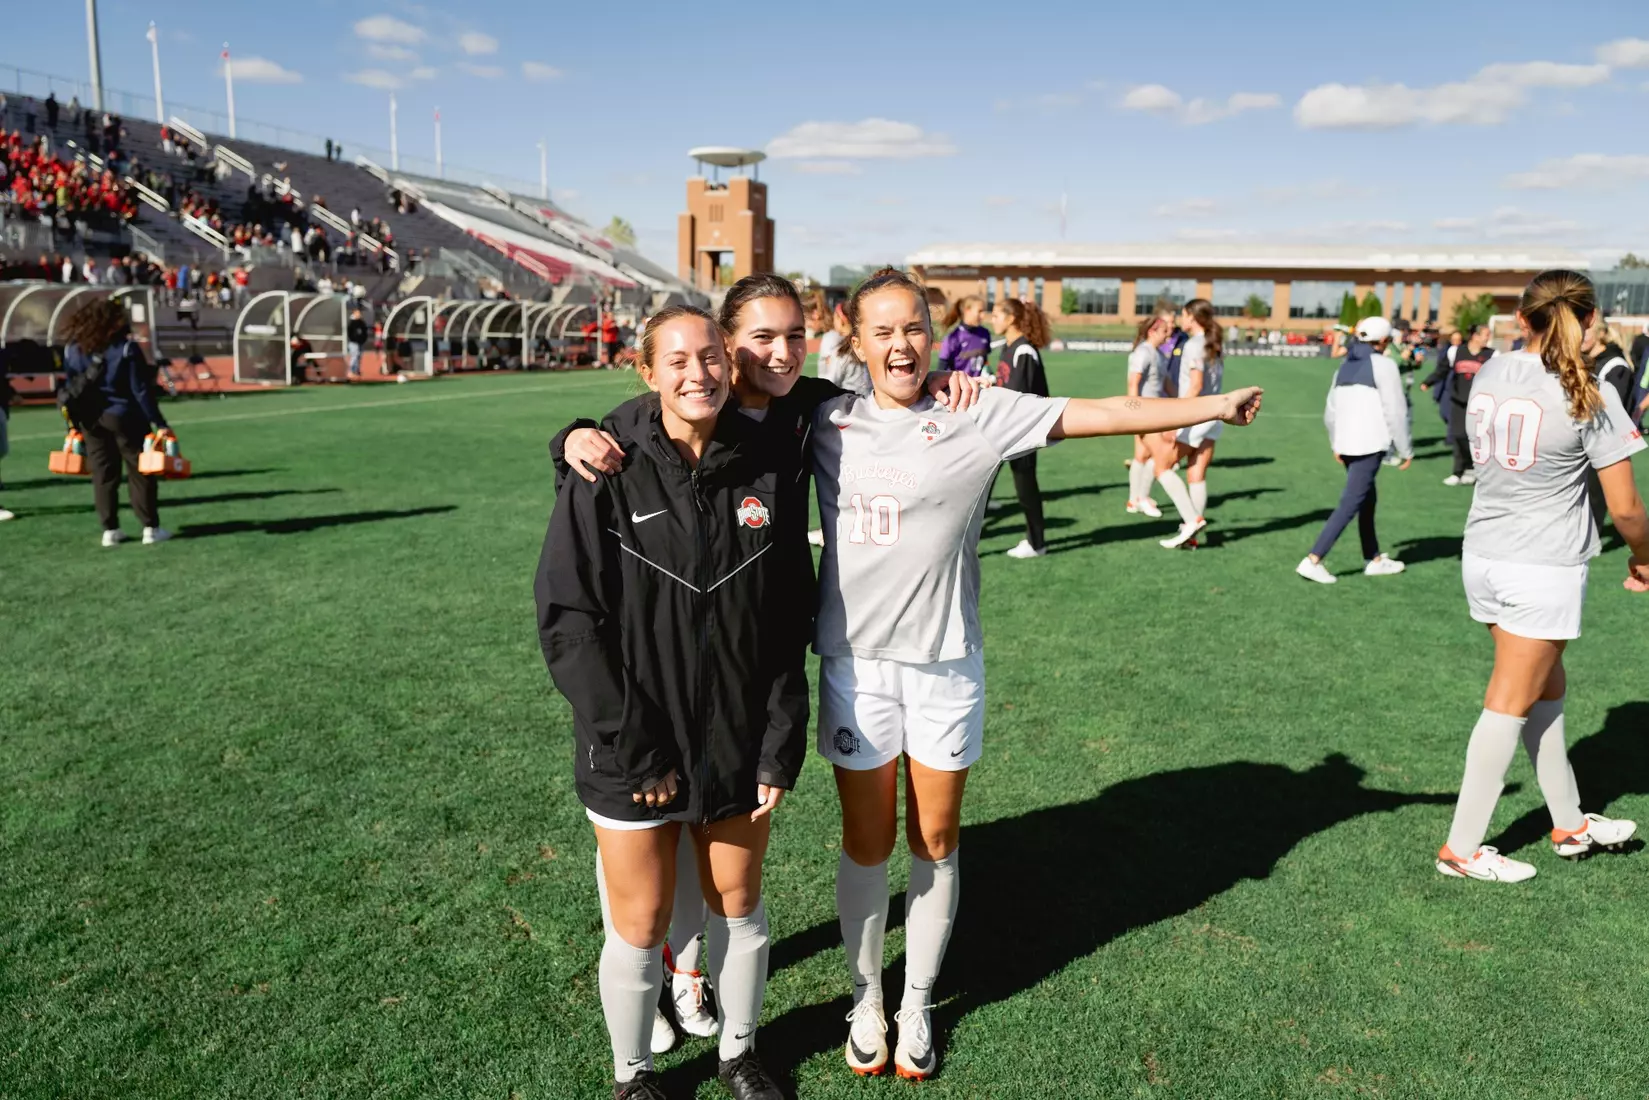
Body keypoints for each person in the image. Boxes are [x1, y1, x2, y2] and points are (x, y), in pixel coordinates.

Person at [812, 270, 1261, 1080]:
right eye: (880, 331)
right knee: (865, 842)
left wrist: (1209, 406)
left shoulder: (975, 409)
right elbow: (711, 391)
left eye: (911, 327)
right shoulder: (824, 417)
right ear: (855, 338)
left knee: (935, 837)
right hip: (857, 667)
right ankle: (864, 998)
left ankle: (914, 1005)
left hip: (946, 664)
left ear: (932, 331)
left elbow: (1107, 413)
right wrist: (577, 435)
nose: (899, 344)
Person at [535, 305, 811, 1100]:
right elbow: (568, 621)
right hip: (630, 748)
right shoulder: (606, 467)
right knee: (642, 920)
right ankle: (635, 1078)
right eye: (679, 360)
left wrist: (776, 741)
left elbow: (788, 617)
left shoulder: (766, 464)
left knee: (739, 904)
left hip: (735, 740)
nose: (700, 373)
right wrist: (636, 745)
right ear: (647, 372)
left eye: (714, 357)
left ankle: (739, 1054)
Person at [1436, 270, 1649, 883]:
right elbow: (1629, 509)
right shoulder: (1590, 391)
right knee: (1509, 701)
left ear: (1522, 319)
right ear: (1587, 321)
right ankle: (1462, 848)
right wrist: (1645, 556)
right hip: (1541, 564)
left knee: (1544, 692)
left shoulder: (1496, 368)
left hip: (1484, 555)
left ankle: (1570, 822)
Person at [1296, 316, 1411, 585]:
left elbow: (1330, 412)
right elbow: (1395, 410)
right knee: (1351, 502)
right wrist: (1405, 449)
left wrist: (1336, 443)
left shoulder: (1344, 365)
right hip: (1369, 445)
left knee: (1366, 499)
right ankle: (1314, 558)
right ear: (1384, 341)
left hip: (1348, 444)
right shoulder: (1385, 365)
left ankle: (1373, 559)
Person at [58, 299, 171, 546]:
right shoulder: (125, 348)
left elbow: (71, 385)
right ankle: (150, 527)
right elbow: (140, 390)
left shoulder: (72, 349)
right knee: (140, 472)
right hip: (125, 415)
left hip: (89, 417)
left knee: (103, 474)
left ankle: (110, 529)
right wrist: (159, 422)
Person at [1158, 298, 1227, 549]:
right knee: (1195, 475)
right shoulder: (1213, 343)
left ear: (1192, 317)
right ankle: (1193, 536)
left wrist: (1175, 421)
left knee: (1162, 467)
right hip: (1214, 416)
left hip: (1196, 417)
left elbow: (1196, 386)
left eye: (1184, 315)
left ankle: (1191, 520)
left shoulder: (1194, 345)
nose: (1181, 319)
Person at [990, 296, 1054, 558]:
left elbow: (1021, 397)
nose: (992, 319)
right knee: (984, 476)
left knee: (1026, 488)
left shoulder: (1024, 350)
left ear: (1011, 318)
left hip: (1023, 432)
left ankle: (1037, 543)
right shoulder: (1008, 346)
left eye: (996, 315)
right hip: (1004, 429)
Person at [1423, 323, 1494, 486]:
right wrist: (1428, 382)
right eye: (1485, 334)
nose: (1488, 338)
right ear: (1475, 336)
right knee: (1458, 435)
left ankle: (1471, 469)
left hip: (1480, 405)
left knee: (1476, 438)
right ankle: (1457, 471)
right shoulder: (1456, 351)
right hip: (1458, 401)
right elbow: (1442, 370)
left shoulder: (1492, 355)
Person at [1124, 313, 1171, 518]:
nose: (1168, 334)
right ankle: (1142, 498)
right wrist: (1133, 413)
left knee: (1142, 455)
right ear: (1152, 331)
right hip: (1144, 413)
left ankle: (1134, 500)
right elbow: (1133, 383)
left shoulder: (1158, 354)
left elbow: (1167, 385)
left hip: (1155, 411)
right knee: (1161, 454)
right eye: (1164, 330)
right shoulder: (1143, 352)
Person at [816, 302, 871, 396]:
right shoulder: (865, 344)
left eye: (835, 317)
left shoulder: (842, 351)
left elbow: (830, 382)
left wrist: (828, 365)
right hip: (868, 399)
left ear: (841, 320)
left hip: (849, 404)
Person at [935, 295, 991, 377]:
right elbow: (941, 369)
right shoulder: (953, 338)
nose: (983, 315)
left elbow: (984, 360)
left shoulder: (985, 333)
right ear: (967, 311)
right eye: (980, 311)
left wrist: (989, 372)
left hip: (978, 385)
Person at [346, 308, 368, 379]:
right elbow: (350, 333)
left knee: (359, 357)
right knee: (354, 356)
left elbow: (364, 331)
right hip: (353, 343)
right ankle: (351, 371)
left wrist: (363, 339)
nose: (359, 315)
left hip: (360, 342)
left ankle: (356, 370)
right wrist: (353, 339)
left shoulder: (362, 322)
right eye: (357, 313)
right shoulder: (351, 323)